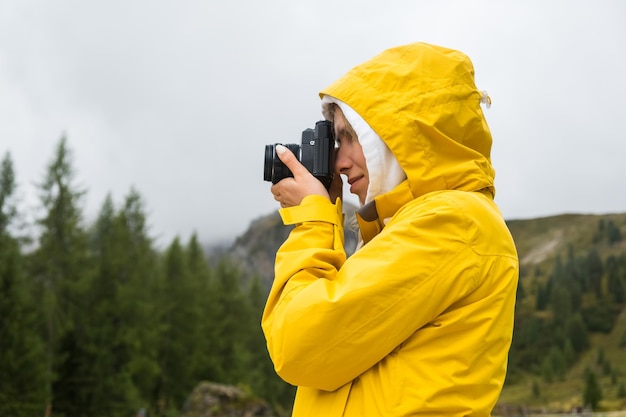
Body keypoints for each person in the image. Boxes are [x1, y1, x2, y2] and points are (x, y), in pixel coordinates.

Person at [262, 42, 519, 417]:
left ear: (402, 135)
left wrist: (314, 222)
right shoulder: (410, 226)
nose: (340, 161)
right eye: (336, 141)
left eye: (350, 137)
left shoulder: (452, 222)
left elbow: (299, 345)